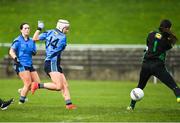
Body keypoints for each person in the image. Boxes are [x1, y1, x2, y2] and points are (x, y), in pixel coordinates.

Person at [127, 19, 180, 110]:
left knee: (140, 86)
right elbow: (165, 48)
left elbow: (148, 44)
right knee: (173, 85)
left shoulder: (151, 34)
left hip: (146, 64)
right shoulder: (167, 41)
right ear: (168, 28)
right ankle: (179, 97)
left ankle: (131, 106)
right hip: (157, 66)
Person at [31, 19, 76, 110]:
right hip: (52, 62)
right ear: (61, 27)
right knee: (59, 86)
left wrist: (39, 28)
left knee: (65, 85)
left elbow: (34, 38)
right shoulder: (63, 37)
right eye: (66, 28)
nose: (67, 30)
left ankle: (69, 104)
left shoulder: (49, 32)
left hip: (53, 62)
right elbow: (61, 49)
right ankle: (37, 85)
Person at [9, 23, 41, 104]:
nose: (27, 30)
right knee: (28, 83)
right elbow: (11, 51)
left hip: (29, 64)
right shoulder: (18, 40)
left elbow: (34, 52)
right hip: (20, 64)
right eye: (25, 28)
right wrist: (16, 58)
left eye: (28, 28)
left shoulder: (32, 41)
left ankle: (22, 90)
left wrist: (33, 50)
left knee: (37, 84)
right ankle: (21, 102)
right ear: (21, 30)